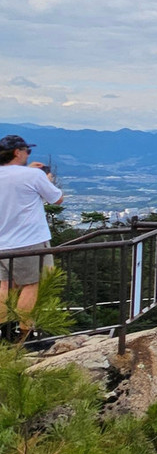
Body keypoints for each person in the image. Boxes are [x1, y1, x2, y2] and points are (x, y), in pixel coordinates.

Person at [0, 134, 64, 334]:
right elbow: (57, 199)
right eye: (27, 151)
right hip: (28, 242)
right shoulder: (33, 176)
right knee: (32, 285)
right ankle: (25, 331)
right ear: (17, 152)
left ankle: (4, 329)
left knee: (5, 286)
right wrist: (47, 180)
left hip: (2, 243)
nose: (28, 154)